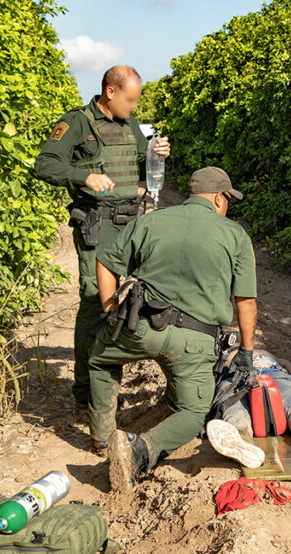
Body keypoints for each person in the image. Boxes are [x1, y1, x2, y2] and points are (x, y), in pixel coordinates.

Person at [90, 166, 257, 492]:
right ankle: (141, 451)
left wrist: (110, 307)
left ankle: (102, 437)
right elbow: (246, 302)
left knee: (100, 360)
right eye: (228, 199)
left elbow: (106, 260)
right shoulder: (234, 234)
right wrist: (247, 351)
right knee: (193, 413)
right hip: (194, 343)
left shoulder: (151, 220)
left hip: (139, 326)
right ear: (220, 198)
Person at [34, 65, 170, 418]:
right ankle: (87, 390)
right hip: (98, 225)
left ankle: (109, 381)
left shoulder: (128, 126)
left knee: (133, 300)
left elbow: (139, 164)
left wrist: (156, 154)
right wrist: (84, 176)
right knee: (97, 303)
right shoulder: (77, 122)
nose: (134, 107)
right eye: (130, 99)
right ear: (110, 92)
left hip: (132, 224)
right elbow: (45, 165)